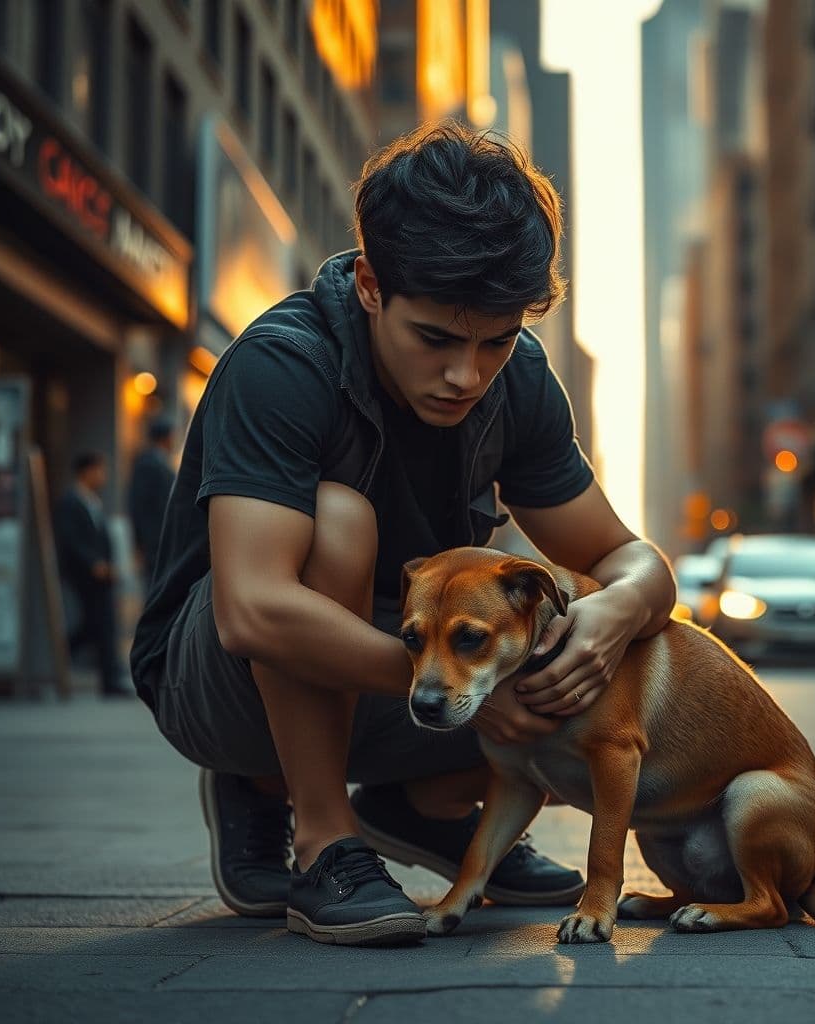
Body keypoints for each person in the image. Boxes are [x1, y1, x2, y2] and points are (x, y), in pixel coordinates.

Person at [130, 122, 677, 947]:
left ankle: (424, 808)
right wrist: (453, 681)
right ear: (372, 285)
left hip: (395, 679)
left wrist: (616, 615)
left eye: (495, 341)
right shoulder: (284, 365)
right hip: (219, 680)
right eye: (437, 339)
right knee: (339, 523)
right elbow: (252, 610)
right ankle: (305, 821)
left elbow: (633, 558)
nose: (467, 374)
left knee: (545, 640)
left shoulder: (518, 378)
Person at [55, 452, 125, 697]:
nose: (102, 476)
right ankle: (59, 652)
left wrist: (108, 564)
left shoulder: (92, 500)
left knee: (99, 625)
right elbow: (71, 539)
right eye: (99, 470)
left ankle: (109, 680)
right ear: (86, 471)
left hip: (101, 575)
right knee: (98, 625)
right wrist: (93, 563)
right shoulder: (71, 501)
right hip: (84, 576)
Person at [128, 416, 176, 583]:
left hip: (160, 539)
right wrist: (141, 541)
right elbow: (138, 504)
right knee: (154, 585)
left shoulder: (160, 462)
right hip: (154, 540)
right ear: (165, 437)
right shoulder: (148, 463)